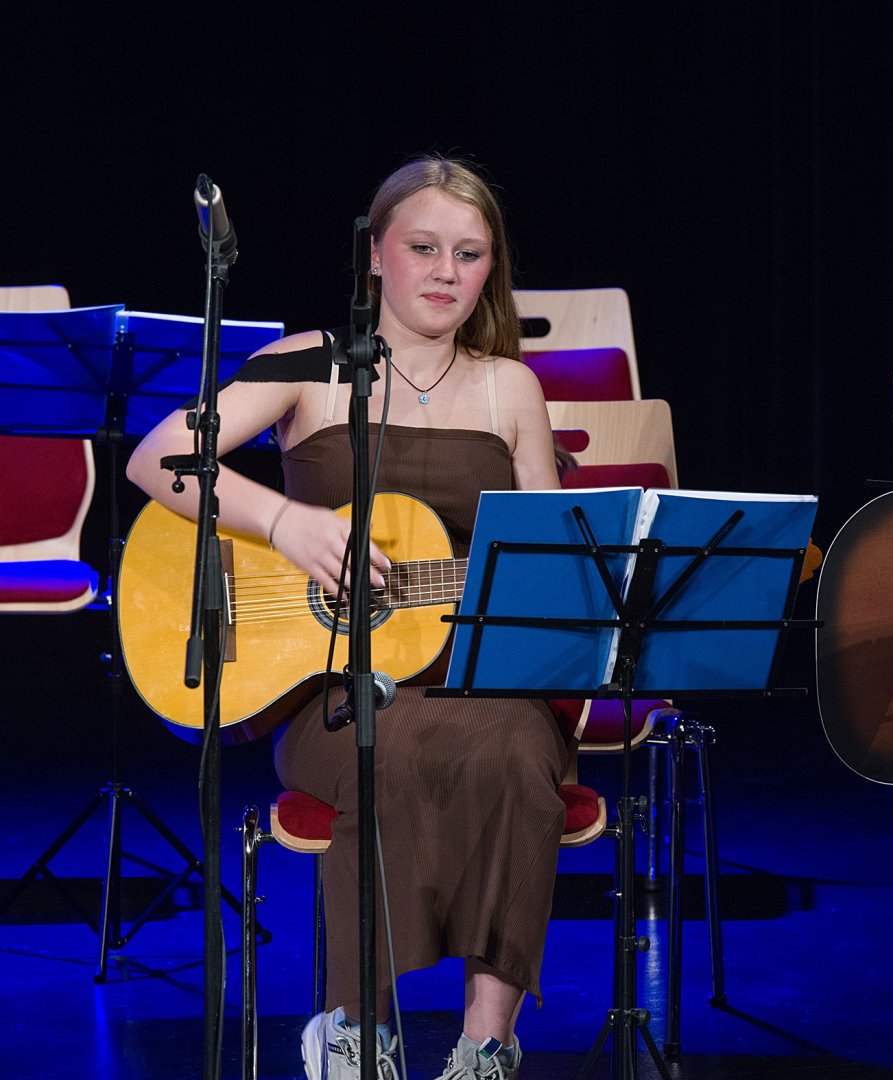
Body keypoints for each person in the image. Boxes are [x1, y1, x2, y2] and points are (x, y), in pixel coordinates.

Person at [127, 155, 572, 1080]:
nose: (446, 272)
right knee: (384, 747)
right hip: (328, 685)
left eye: (469, 254)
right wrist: (283, 523)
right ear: (376, 254)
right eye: (423, 248)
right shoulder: (308, 361)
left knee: (517, 751)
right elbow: (157, 456)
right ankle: (355, 1030)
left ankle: (487, 1045)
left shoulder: (511, 388)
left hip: (477, 676)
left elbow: (549, 564)